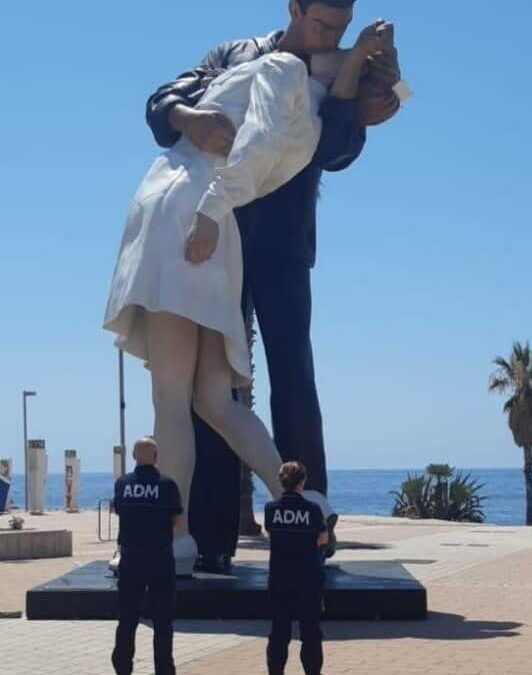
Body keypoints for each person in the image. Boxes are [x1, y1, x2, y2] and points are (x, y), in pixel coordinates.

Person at [105, 15, 394, 576]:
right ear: (294, 9)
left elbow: (335, 147)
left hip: (231, 230)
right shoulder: (243, 54)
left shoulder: (316, 83)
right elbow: (168, 98)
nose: (332, 37)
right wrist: (187, 117)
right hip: (216, 227)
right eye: (323, 23)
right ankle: (244, 526)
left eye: (342, 30)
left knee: (268, 384)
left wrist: (361, 77)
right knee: (213, 397)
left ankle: (193, 536)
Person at [111, 438, 183, 675]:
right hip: (160, 558)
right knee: (163, 622)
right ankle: (164, 669)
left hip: (131, 558)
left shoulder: (122, 484)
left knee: (127, 618)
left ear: (133, 456)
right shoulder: (168, 485)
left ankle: (123, 668)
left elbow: (119, 510)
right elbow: (176, 521)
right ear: (156, 457)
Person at [265, 461, 329, 675]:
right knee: (310, 632)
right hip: (308, 579)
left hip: (280, 578)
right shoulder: (312, 509)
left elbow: (272, 534)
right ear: (302, 481)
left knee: (279, 633)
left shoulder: (271, 509)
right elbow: (322, 538)